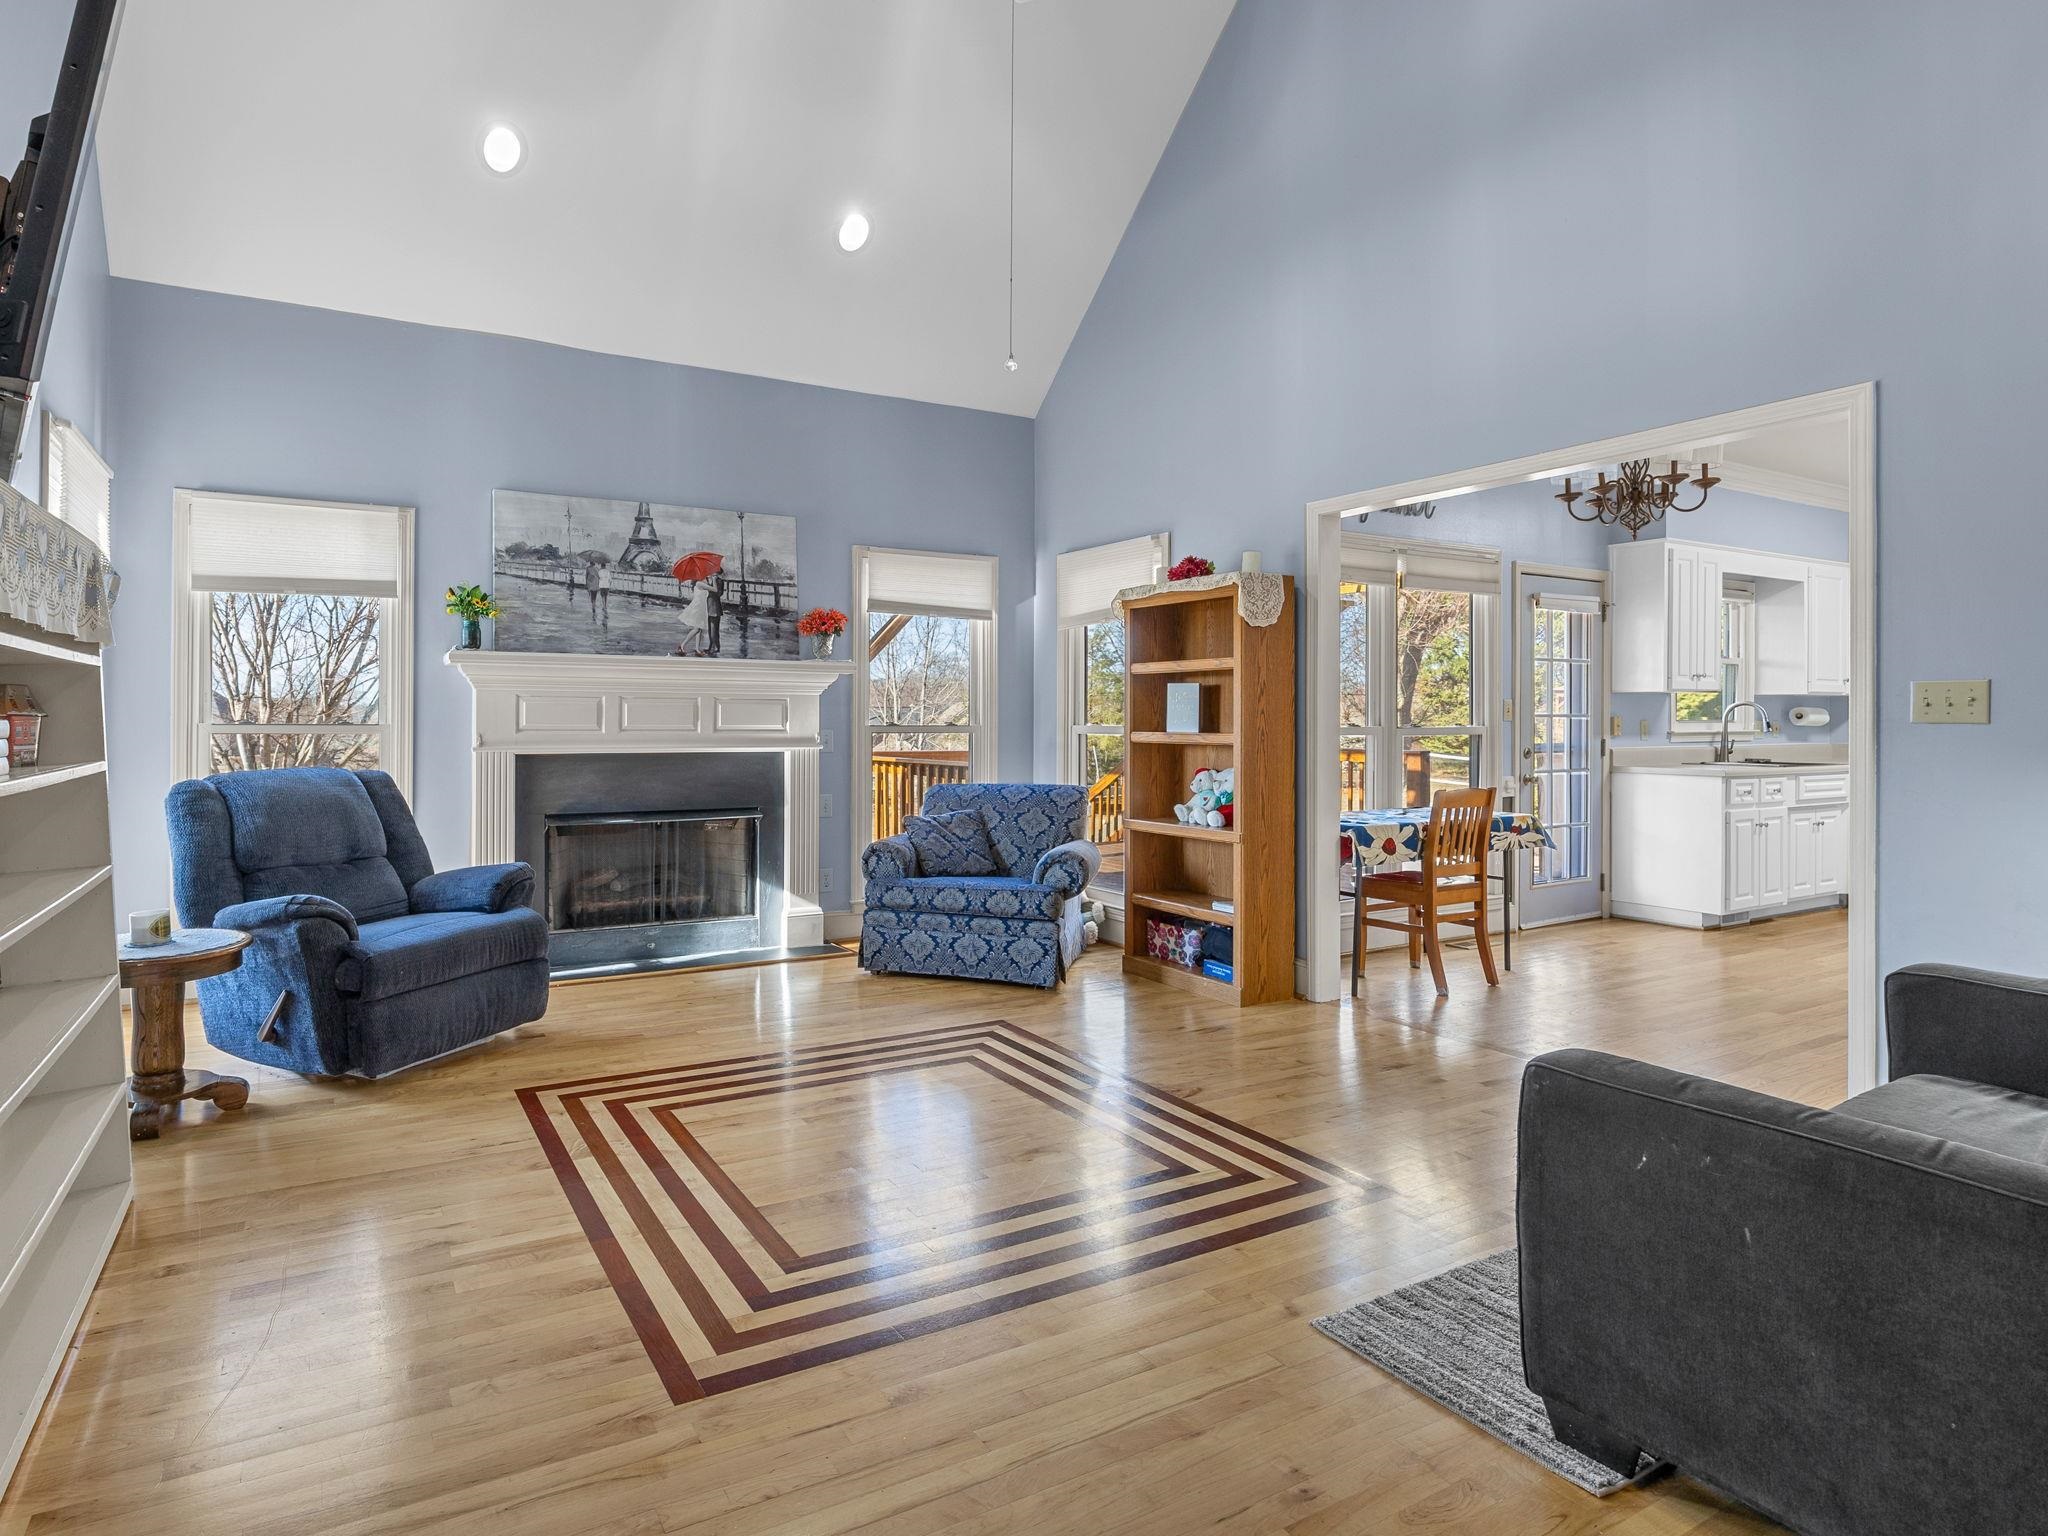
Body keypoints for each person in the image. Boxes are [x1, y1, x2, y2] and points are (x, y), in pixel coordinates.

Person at [676, 579, 709, 655]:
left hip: (700, 608)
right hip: (698, 608)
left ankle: (697, 649)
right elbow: (714, 589)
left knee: (699, 628)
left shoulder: (699, 583)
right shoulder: (700, 584)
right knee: (697, 629)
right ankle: (682, 645)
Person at [705, 577, 724, 656]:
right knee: (710, 628)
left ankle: (715, 647)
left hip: (715, 606)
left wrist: (713, 582)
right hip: (710, 606)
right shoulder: (710, 579)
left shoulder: (719, 580)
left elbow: (719, 593)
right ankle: (711, 646)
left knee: (714, 629)